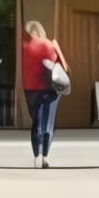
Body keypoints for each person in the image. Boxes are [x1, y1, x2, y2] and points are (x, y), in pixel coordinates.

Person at [18, 20, 67, 169]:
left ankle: (36, 155)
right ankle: (45, 155)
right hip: (49, 88)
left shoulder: (21, 46)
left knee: (36, 123)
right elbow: (61, 66)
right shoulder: (48, 44)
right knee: (48, 123)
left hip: (30, 89)